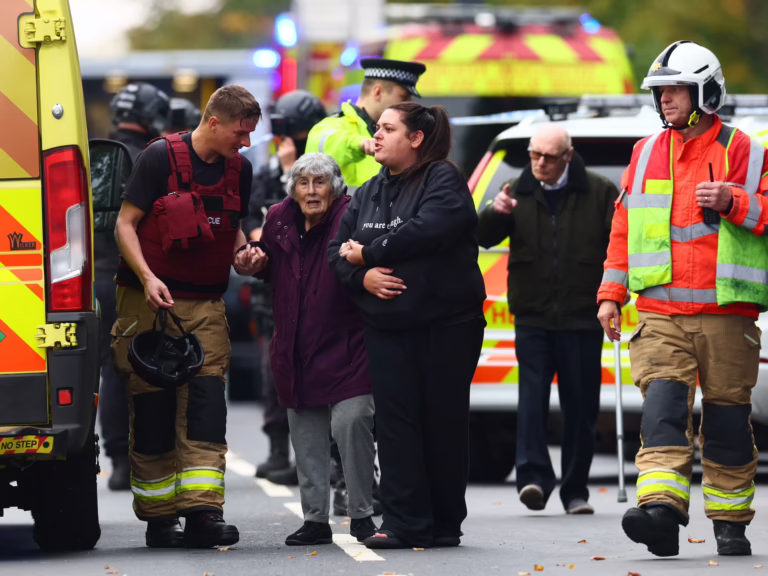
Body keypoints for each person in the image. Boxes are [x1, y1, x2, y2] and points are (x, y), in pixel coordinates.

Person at [598, 41, 768, 558]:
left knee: (726, 423)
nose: (665, 99)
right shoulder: (645, 152)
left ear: (705, 93)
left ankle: (731, 523)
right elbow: (625, 229)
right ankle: (660, 514)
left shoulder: (745, 149)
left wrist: (735, 201)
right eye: (660, 91)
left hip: (726, 315)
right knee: (663, 413)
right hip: (660, 314)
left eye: (675, 89)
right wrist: (611, 294)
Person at [329, 103, 486, 549]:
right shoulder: (368, 191)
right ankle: (404, 522)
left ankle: (444, 523)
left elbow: (429, 228)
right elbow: (336, 251)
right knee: (397, 425)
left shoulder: (442, 178)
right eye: (377, 128)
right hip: (388, 328)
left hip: (447, 325)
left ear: (416, 139)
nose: (376, 135)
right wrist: (362, 277)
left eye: (388, 128)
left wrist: (370, 253)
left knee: (442, 421)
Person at [112, 85, 263, 549]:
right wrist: (147, 278)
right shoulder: (158, 158)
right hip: (148, 301)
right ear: (214, 122)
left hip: (205, 304)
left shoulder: (240, 170)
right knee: (153, 407)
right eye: (240, 133)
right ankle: (160, 519)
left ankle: (203, 514)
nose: (246, 143)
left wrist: (245, 257)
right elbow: (125, 224)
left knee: (205, 407)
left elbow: (234, 227)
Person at [476, 124, 618, 515]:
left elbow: (619, 247)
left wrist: (614, 295)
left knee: (581, 406)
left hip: (581, 316)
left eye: (549, 157)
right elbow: (482, 236)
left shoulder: (600, 191)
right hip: (533, 315)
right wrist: (494, 212)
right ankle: (534, 479)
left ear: (568, 156)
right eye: (534, 154)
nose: (539, 163)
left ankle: (575, 491)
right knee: (531, 399)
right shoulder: (516, 190)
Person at [250, 153, 378, 546]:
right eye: (303, 183)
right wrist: (251, 260)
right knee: (305, 437)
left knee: (352, 422)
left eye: (319, 182)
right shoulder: (278, 218)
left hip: (349, 344)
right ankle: (315, 519)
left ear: (334, 187)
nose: (311, 191)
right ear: (293, 188)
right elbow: (267, 265)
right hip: (295, 345)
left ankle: (362, 514)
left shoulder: (352, 214)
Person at [242, 90, 327, 486]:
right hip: (274, 293)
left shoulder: (324, 179)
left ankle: (318, 459)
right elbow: (256, 228)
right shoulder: (264, 177)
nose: (285, 143)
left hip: (317, 291)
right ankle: (278, 450)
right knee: (274, 371)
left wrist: (295, 175)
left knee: (318, 374)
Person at [98, 82, 171, 491]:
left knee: (104, 369)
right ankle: (145, 459)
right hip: (132, 278)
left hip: (88, 276)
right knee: (133, 367)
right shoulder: (149, 157)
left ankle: (116, 460)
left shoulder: (96, 156)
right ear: (152, 116)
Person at [305, 58, 426, 191]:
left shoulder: (401, 134)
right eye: (403, 97)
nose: (409, 104)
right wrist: (360, 144)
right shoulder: (332, 126)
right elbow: (325, 143)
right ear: (378, 92)